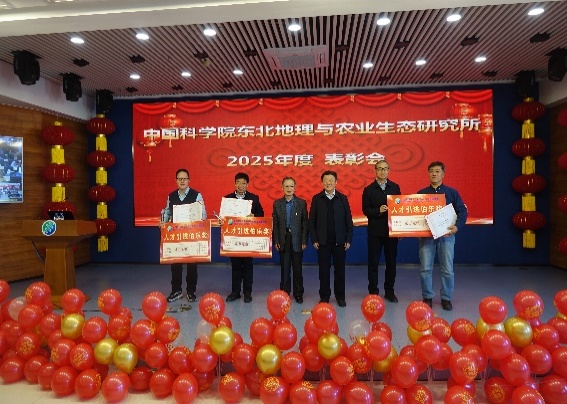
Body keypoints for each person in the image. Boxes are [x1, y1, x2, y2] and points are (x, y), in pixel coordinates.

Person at [417, 161, 468, 311]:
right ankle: (427, 296)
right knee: (425, 269)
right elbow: (415, 215)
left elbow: (462, 211)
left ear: (443, 174)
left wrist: (457, 227)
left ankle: (446, 298)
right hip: (426, 237)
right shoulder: (421, 194)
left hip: (447, 237)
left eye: (437, 171)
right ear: (428, 174)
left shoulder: (452, 193)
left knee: (447, 269)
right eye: (431, 171)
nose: (434, 174)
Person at [161, 168, 207, 303]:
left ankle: (191, 291)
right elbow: (167, 212)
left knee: (192, 264)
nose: (182, 181)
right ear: (176, 181)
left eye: (184, 179)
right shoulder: (171, 196)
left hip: (192, 235)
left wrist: (196, 219)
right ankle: (176, 291)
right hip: (176, 236)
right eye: (179, 179)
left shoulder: (197, 195)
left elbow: (203, 215)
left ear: (189, 180)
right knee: (175, 264)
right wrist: (163, 221)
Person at [309, 171, 353, 307]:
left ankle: (340, 297)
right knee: (324, 271)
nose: (328, 182)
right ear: (322, 182)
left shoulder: (342, 198)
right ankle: (324, 297)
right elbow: (312, 221)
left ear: (336, 182)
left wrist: (348, 239)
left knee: (340, 271)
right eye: (326, 180)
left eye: (331, 180)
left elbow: (348, 220)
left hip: (340, 241)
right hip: (323, 242)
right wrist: (314, 239)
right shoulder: (317, 199)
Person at [362, 159, 401, 303]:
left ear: (388, 171)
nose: (382, 171)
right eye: (379, 169)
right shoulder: (369, 190)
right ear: (375, 171)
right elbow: (366, 210)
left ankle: (389, 291)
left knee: (391, 263)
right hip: (375, 232)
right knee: (373, 263)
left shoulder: (395, 188)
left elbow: (400, 209)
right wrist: (378, 211)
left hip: (391, 231)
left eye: (385, 169)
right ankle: (373, 291)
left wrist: (400, 229)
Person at [225, 172, 264, 303]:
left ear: (247, 185)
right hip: (233, 238)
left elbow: (261, 215)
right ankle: (235, 292)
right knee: (235, 266)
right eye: (238, 183)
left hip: (248, 238)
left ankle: (247, 293)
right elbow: (223, 217)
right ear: (234, 184)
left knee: (247, 266)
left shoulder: (254, 198)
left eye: (243, 183)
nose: (241, 185)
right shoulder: (228, 199)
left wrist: (254, 216)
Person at [272, 177, 309, 304]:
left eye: (291, 186)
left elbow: (305, 223)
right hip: (283, 239)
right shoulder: (277, 203)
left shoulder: (301, 203)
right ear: (282, 188)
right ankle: (285, 293)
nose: (289, 189)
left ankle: (298, 294)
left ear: (295, 188)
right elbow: (275, 224)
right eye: (286, 186)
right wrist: (276, 240)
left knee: (297, 268)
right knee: (285, 268)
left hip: (297, 239)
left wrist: (304, 240)